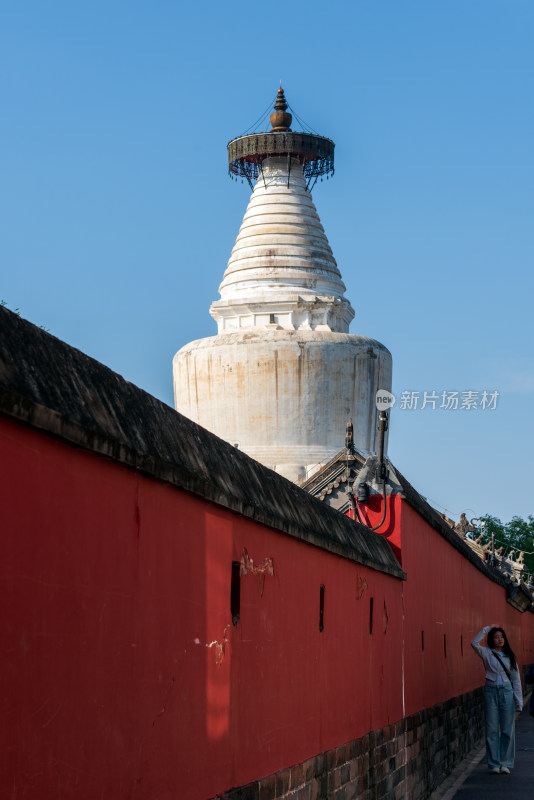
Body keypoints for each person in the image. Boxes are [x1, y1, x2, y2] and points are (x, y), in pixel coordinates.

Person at [471, 625, 522, 774]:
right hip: (490, 691)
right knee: (492, 728)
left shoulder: (510, 656)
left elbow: (516, 680)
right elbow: (474, 643)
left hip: (506, 691)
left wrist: (518, 700)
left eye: (501, 637)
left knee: (507, 729)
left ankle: (505, 762)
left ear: (505, 639)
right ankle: (494, 763)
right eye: (496, 637)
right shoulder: (486, 653)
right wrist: (486, 629)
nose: (499, 639)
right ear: (492, 640)